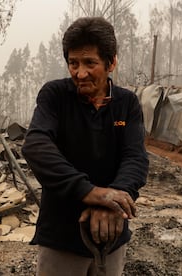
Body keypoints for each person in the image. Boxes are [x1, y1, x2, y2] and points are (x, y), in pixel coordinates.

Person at [21, 16, 149, 276]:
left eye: (90, 63)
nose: (80, 73)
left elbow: (135, 158)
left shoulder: (127, 103)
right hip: (61, 237)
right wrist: (90, 192)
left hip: (111, 235)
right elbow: (36, 145)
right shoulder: (55, 96)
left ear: (111, 62)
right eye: (73, 63)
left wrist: (114, 200)